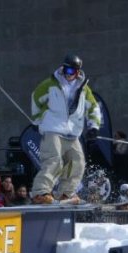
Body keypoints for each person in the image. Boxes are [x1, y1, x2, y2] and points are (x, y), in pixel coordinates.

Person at [31, 54, 101, 204]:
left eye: (72, 71)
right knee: (53, 159)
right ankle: (40, 192)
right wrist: (37, 120)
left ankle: (66, 193)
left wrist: (93, 127)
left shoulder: (83, 88)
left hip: (72, 132)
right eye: (66, 70)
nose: (68, 74)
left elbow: (93, 107)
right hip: (53, 128)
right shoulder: (50, 84)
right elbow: (36, 98)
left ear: (77, 72)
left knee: (78, 162)